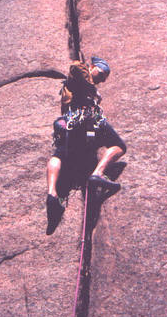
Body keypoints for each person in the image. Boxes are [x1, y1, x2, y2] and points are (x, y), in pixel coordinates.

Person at [46, 55, 126, 233]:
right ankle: (97, 174)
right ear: (92, 67)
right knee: (119, 146)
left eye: (105, 77)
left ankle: (52, 193)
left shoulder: (77, 87)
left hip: (70, 126)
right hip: (87, 120)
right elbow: (75, 66)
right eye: (102, 72)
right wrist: (93, 90)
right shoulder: (80, 73)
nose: (103, 78)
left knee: (58, 155)